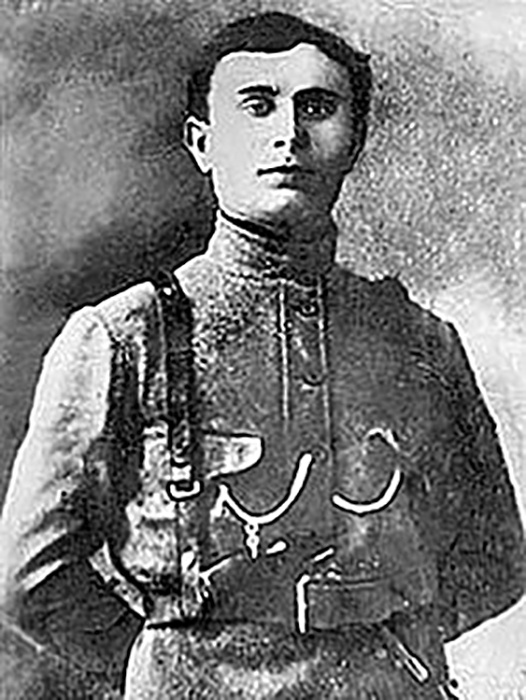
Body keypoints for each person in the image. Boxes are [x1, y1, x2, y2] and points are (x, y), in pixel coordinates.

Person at [1, 11, 525, 700]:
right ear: (203, 143)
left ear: (355, 140)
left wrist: (389, 642)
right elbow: (30, 575)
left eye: (318, 107)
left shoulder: (420, 341)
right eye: (257, 106)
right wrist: (166, 658)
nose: (289, 134)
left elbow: (497, 558)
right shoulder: (122, 337)